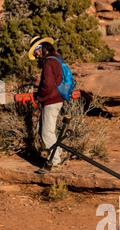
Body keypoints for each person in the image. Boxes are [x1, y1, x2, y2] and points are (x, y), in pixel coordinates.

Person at [28, 36, 63, 168]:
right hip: (57, 99)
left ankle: (54, 161)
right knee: (50, 131)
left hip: (51, 101)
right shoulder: (57, 59)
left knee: (46, 133)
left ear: (43, 47)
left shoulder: (49, 62)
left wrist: (40, 96)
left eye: (36, 50)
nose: (36, 54)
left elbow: (47, 84)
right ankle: (57, 155)